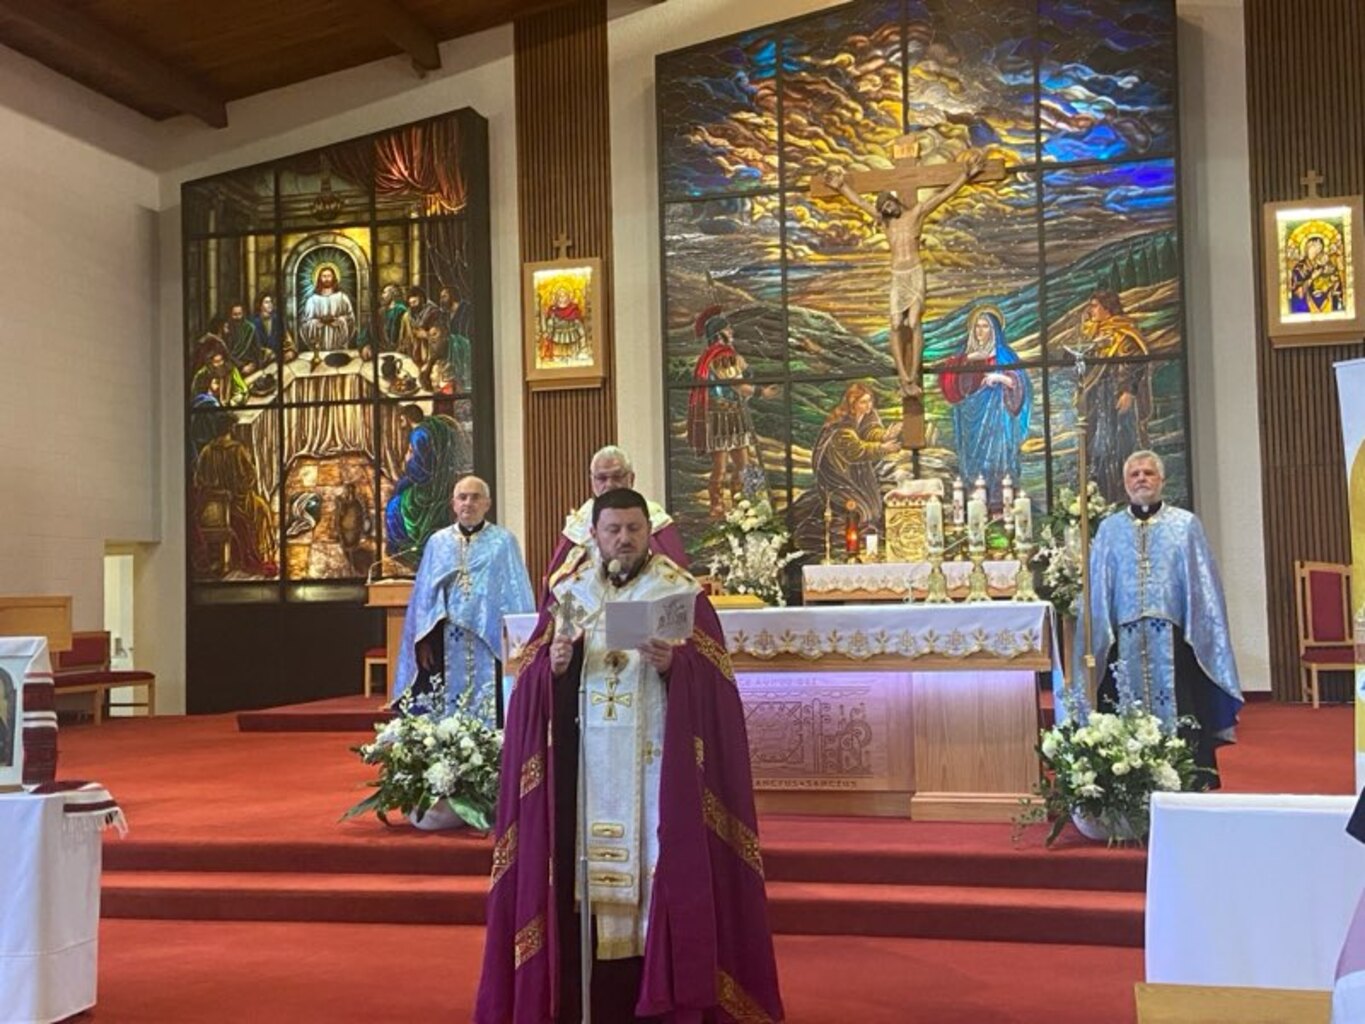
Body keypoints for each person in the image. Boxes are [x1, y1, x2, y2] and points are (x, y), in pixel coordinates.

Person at [474, 488, 784, 1024]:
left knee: (654, 881)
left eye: (634, 529)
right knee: (580, 890)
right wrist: (555, 669)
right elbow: (530, 687)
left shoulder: (679, 595)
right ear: (594, 534)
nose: (624, 539)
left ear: (649, 532)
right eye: (613, 529)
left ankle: (659, 1000)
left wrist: (675, 668)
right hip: (585, 782)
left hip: (656, 780)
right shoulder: (570, 595)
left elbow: (717, 693)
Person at [1076, 450, 1243, 786]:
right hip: (1124, 637)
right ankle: (1127, 783)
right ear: (1125, 484)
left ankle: (1185, 778)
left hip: (1174, 637)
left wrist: (1200, 632)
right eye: (1134, 474)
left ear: (1162, 480)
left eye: (1148, 473)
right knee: (1121, 706)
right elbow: (1097, 588)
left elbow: (1203, 587)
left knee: (1182, 703)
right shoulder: (1109, 529)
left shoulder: (1185, 525)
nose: (1141, 478)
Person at [823, 150, 985, 397]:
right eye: (884, 207)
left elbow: (942, 196)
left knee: (913, 322)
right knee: (896, 323)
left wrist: (965, 175)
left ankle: (912, 374)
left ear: (896, 201)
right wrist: (842, 187)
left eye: (889, 203)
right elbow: (861, 203)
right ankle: (903, 378)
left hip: (914, 272)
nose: (888, 207)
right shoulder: (887, 224)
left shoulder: (915, 214)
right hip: (898, 275)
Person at [392, 476, 534, 722]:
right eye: (463, 497)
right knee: (442, 705)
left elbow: (517, 593)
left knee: (493, 709)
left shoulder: (503, 542)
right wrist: (423, 640)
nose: (468, 503)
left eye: (475, 497)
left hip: (490, 638)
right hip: (446, 637)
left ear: (487, 504)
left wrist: (519, 641)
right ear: (454, 504)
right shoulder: (438, 543)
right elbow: (424, 599)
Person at [542, 446, 688, 609]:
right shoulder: (579, 526)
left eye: (617, 477)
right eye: (602, 478)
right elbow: (560, 587)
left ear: (631, 478)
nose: (610, 484)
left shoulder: (656, 518)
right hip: (591, 609)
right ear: (592, 481)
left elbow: (678, 581)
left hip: (648, 605)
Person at [791, 381, 900, 555]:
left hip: (856, 474)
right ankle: (846, 545)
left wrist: (884, 435)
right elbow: (855, 450)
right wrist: (882, 448)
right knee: (859, 509)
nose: (868, 406)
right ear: (852, 404)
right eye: (863, 402)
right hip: (837, 475)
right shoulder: (841, 425)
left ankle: (864, 543)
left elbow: (869, 431)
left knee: (872, 509)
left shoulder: (867, 415)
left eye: (870, 401)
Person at [939, 306, 1032, 508]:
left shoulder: (1003, 354)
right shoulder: (965, 356)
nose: (980, 331)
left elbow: (1019, 383)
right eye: (977, 327)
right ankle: (975, 503)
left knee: (997, 455)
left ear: (994, 330)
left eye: (985, 327)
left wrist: (999, 377)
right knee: (974, 461)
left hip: (997, 415)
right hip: (972, 415)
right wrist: (968, 360)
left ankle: (1000, 503)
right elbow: (952, 382)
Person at [685, 305, 763, 518]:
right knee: (721, 467)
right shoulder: (720, 356)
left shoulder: (726, 355)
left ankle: (743, 505)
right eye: (728, 329)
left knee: (743, 465)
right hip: (720, 416)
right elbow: (737, 385)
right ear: (719, 334)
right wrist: (761, 392)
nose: (732, 332)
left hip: (734, 413)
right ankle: (717, 506)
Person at [1079, 289, 1152, 503]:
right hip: (1098, 400)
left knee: (1118, 445)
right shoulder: (1095, 335)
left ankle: (1121, 495)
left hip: (1116, 399)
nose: (1091, 311)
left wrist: (1129, 390)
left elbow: (1136, 362)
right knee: (1097, 447)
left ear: (1107, 308)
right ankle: (1101, 494)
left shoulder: (1124, 335)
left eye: (1095, 306)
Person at [190, 411, 278, 578]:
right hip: (238, 502)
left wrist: (215, 490)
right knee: (263, 509)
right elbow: (250, 475)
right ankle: (260, 553)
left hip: (213, 506)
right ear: (230, 429)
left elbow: (198, 479)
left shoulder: (206, 451)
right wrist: (239, 489)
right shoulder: (237, 450)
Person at [384, 405, 469, 563]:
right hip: (439, 482)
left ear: (407, 418)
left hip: (426, 487)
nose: (400, 424)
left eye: (401, 419)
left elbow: (422, 468)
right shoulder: (431, 427)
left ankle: (401, 546)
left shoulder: (418, 434)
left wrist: (408, 466)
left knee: (394, 505)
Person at [299, 265, 356, 353]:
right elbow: (305, 323)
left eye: (329, 276)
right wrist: (315, 323)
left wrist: (340, 321)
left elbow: (351, 319)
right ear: (319, 278)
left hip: (337, 339)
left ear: (334, 278)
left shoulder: (342, 298)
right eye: (324, 276)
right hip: (319, 339)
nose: (326, 279)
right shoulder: (312, 300)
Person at [1290, 234, 1344, 314]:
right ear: (1306, 249)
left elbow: (1337, 286)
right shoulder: (1299, 268)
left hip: (1327, 303)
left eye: (1319, 248)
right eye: (1313, 247)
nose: (1315, 251)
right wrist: (1312, 278)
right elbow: (1298, 294)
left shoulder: (1327, 265)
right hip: (1306, 307)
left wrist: (1330, 284)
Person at [249, 292, 292, 362]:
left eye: (270, 302)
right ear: (260, 305)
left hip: (278, 359)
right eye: (266, 302)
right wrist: (266, 352)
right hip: (261, 361)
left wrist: (290, 351)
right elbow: (251, 346)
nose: (270, 304)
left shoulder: (277, 320)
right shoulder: (253, 322)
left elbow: (287, 339)